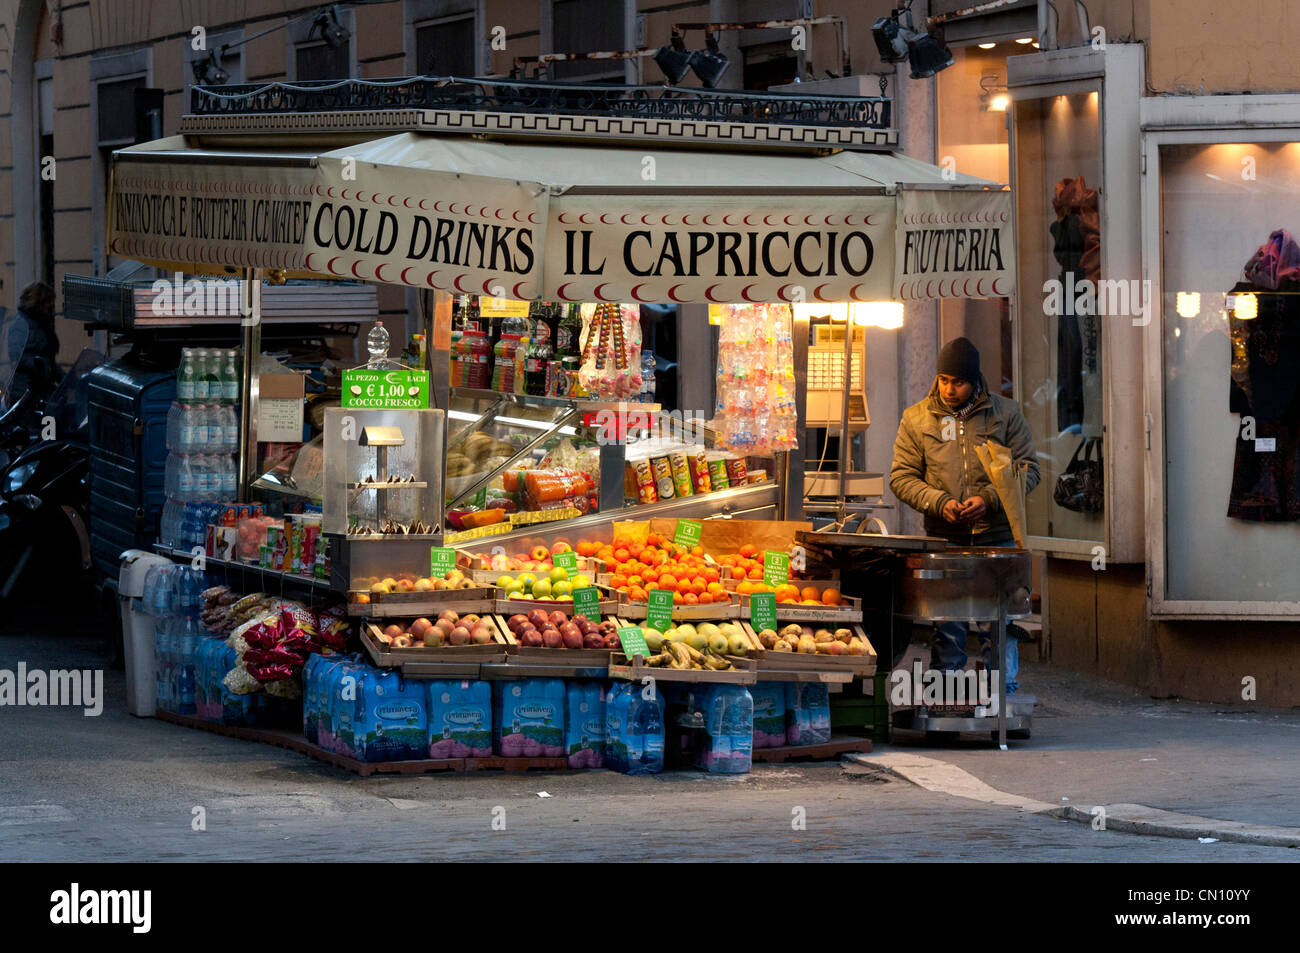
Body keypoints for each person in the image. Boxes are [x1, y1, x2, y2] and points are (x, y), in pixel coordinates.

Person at [889, 337, 1039, 692]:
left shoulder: (1006, 413)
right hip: (945, 539)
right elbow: (901, 477)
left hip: (998, 537)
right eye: (944, 380)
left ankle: (1001, 698)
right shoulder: (916, 418)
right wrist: (940, 503)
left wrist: (990, 498)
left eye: (958, 382)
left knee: (998, 624)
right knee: (947, 625)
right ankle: (947, 697)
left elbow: (1029, 470)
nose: (949, 389)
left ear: (975, 381)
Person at [3, 282, 60, 426]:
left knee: (49, 430)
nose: (51, 307)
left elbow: (49, 360)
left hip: (43, 389)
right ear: (39, 302)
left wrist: (66, 378)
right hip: (25, 392)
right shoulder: (21, 324)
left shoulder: (44, 324)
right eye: (48, 302)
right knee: (30, 431)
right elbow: (17, 355)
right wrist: (38, 364)